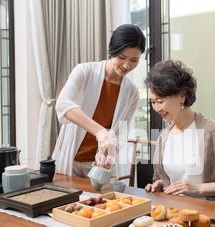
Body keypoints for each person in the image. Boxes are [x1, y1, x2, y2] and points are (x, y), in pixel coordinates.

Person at [144, 60, 215, 207]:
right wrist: (162, 184)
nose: (156, 108)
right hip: (175, 214)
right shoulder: (164, 137)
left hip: (209, 215)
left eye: (160, 101)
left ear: (181, 96)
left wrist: (199, 189)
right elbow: (165, 178)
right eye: (152, 102)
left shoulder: (214, 132)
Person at [52, 24, 146, 177]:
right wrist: (100, 131)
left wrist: (108, 153)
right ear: (111, 51)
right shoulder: (85, 71)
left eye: (134, 60)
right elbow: (63, 103)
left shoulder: (132, 93)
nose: (127, 65)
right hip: (69, 159)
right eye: (122, 57)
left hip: (98, 166)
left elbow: (120, 133)